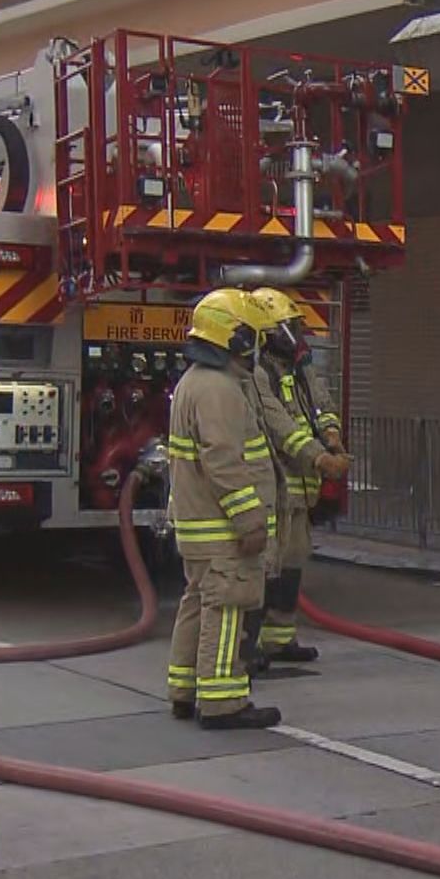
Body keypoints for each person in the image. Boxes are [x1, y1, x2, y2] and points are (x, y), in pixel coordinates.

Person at [164, 288, 282, 729]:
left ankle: (185, 687)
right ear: (233, 338)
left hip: (198, 528)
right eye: (251, 336)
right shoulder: (219, 390)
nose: (256, 346)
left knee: (196, 602)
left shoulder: (194, 382)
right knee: (228, 607)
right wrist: (249, 520)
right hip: (222, 531)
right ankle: (221, 699)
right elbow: (225, 464)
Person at [243, 287, 349, 670]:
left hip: (300, 492)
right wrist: (319, 457)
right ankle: (248, 647)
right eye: (289, 328)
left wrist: (332, 435)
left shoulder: (299, 370)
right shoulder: (257, 374)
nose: (297, 336)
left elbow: (321, 402)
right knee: (266, 568)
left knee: (292, 563)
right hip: (277, 486)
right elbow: (281, 427)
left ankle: (280, 638)